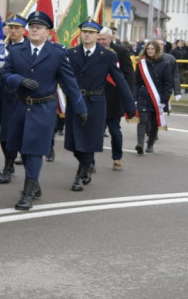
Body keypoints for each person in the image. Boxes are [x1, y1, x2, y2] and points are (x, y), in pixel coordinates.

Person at [0, 11, 87, 210]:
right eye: (31, 26)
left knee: (34, 151)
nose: (34, 30)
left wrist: (80, 107)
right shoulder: (16, 50)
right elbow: (5, 74)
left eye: (39, 27)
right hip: (21, 106)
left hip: (43, 108)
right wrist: (18, 80)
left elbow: (69, 83)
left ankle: (27, 193)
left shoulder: (57, 53)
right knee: (22, 147)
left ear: (48, 31)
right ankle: (35, 183)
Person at [63, 21, 136, 191]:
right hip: (76, 102)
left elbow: (120, 80)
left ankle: (80, 174)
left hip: (96, 102)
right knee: (74, 143)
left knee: (88, 140)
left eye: (91, 32)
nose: (87, 35)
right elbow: (64, 77)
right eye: (84, 32)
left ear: (97, 36)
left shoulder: (108, 55)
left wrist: (130, 105)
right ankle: (86, 165)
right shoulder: (71, 53)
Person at [0, 14, 29, 183]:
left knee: (16, 133)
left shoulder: (29, 48)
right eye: (11, 27)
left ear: (24, 30)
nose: (13, 30)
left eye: (17, 28)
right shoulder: (0, 46)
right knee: (2, 133)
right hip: (1, 96)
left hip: (19, 97)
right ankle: (8, 163)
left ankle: (10, 165)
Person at [97, 27, 136, 170]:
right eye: (99, 39)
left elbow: (129, 75)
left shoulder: (120, 51)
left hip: (114, 98)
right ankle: (89, 162)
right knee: (95, 132)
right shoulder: (93, 51)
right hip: (97, 97)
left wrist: (128, 97)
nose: (101, 42)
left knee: (114, 130)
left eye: (104, 39)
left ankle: (117, 158)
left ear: (110, 39)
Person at [134, 39, 173, 154]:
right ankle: (140, 143)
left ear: (157, 50)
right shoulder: (141, 64)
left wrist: (164, 99)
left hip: (157, 98)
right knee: (143, 120)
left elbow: (167, 83)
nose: (150, 51)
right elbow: (136, 82)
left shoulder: (164, 64)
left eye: (152, 49)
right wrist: (135, 97)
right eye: (148, 49)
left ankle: (150, 143)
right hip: (143, 96)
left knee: (154, 122)